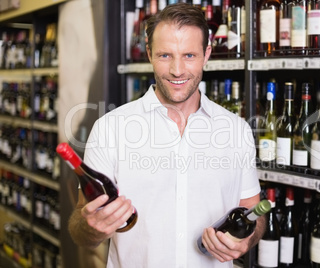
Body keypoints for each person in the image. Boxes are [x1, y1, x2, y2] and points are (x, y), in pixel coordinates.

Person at [68, 3, 265, 267]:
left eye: (189, 56)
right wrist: (92, 227)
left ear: (207, 54)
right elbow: (81, 228)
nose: (177, 70)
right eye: (165, 56)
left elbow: (256, 213)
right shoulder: (110, 129)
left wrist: (247, 240)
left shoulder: (236, 130)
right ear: (149, 54)